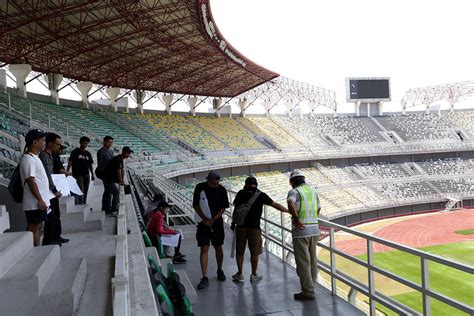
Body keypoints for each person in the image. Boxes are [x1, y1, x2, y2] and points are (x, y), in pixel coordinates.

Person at [231, 176, 289, 283]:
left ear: (245, 184)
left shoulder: (240, 193)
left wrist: (233, 223)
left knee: (240, 252)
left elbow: (236, 209)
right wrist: (289, 211)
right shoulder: (260, 194)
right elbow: (275, 205)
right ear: (256, 185)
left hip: (241, 226)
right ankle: (254, 274)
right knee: (255, 252)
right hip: (254, 228)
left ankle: (240, 273)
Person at [286, 170, 321, 301]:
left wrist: (296, 218)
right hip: (314, 229)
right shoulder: (312, 191)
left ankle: (308, 291)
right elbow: (318, 209)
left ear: (293, 182)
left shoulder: (294, 192)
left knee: (303, 262)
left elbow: (290, 203)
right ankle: (312, 286)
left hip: (301, 232)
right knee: (313, 260)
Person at [192, 171, 229, 289]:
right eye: (213, 183)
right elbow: (196, 205)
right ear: (208, 180)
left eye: (217, 183)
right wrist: (204, 218)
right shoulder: (200, 187)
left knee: (218, 246)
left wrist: (213, 219)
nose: (215, 185)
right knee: (204, 247)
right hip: (203, 223)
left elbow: (223, 207)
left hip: (216, 222)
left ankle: (219, 270)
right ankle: (204, 276)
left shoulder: (222, 189)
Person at [19, 129, 49, 247]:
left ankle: (36, 249)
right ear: (35, 142)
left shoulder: (34, 157)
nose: (44, 143)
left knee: (37, 227)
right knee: (32, 228)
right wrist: (40, 200)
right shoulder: (28, 158)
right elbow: (31, 181)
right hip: (34, 203)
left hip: (38, 202)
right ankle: (29, 250)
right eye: (42, 140)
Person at [39, 133, 64, 246]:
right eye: (57, 144)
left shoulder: (51, 155)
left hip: (52, 191)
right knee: (51, 217)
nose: (58, 147)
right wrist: (54, 190)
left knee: (56, 215)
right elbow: (47, 176)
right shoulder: (44, 156)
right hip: (49, 192)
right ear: (49, 143)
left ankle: (56, 236)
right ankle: (49, 240)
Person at [102, 146, 133, 216]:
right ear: (124, 152)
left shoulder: (120, 159)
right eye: (128, 153)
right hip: (108, 179)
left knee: (108, 193)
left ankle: (106, 209)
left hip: (110, 179)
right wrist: (121, 181)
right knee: (116, 192)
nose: (129, 155)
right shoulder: (117, 159)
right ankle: (113, 210)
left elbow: (122, 170)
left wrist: (121, 181)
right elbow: (118, 171)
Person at [52, 143, 70, 244]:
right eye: (59, 147)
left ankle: (57, 236)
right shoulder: (51, 157)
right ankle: (54, 238)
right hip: (53, 189)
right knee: (54, 215)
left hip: (56, 187)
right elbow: (59, 170)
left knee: (56, 215)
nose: (61, 150)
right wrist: (68, 173)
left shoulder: (56, 156)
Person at [67, 136, 94, 204]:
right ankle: (80, 203)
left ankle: (84, 202)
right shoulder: (75, 152)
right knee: (80, 190)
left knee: (86, 190)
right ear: (80, 142)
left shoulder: (88, 153)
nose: (85, 145)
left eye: (86, 143)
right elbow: (70, 162)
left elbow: (90, 164)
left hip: (86, 174)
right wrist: (67, 172)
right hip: (78, 175)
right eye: (84, 143)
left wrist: (92, 174)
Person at [97, 136, 114, 213]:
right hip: (105, 174)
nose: (110, 144)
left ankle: (106, 207)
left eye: (111, 142)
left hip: (110, 174)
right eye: (108, 142)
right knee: (108, 190)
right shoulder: (100, 152)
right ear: (104, 142)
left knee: (108, 191)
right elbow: (100, 165)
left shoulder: (111, 151)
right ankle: (106, 207)